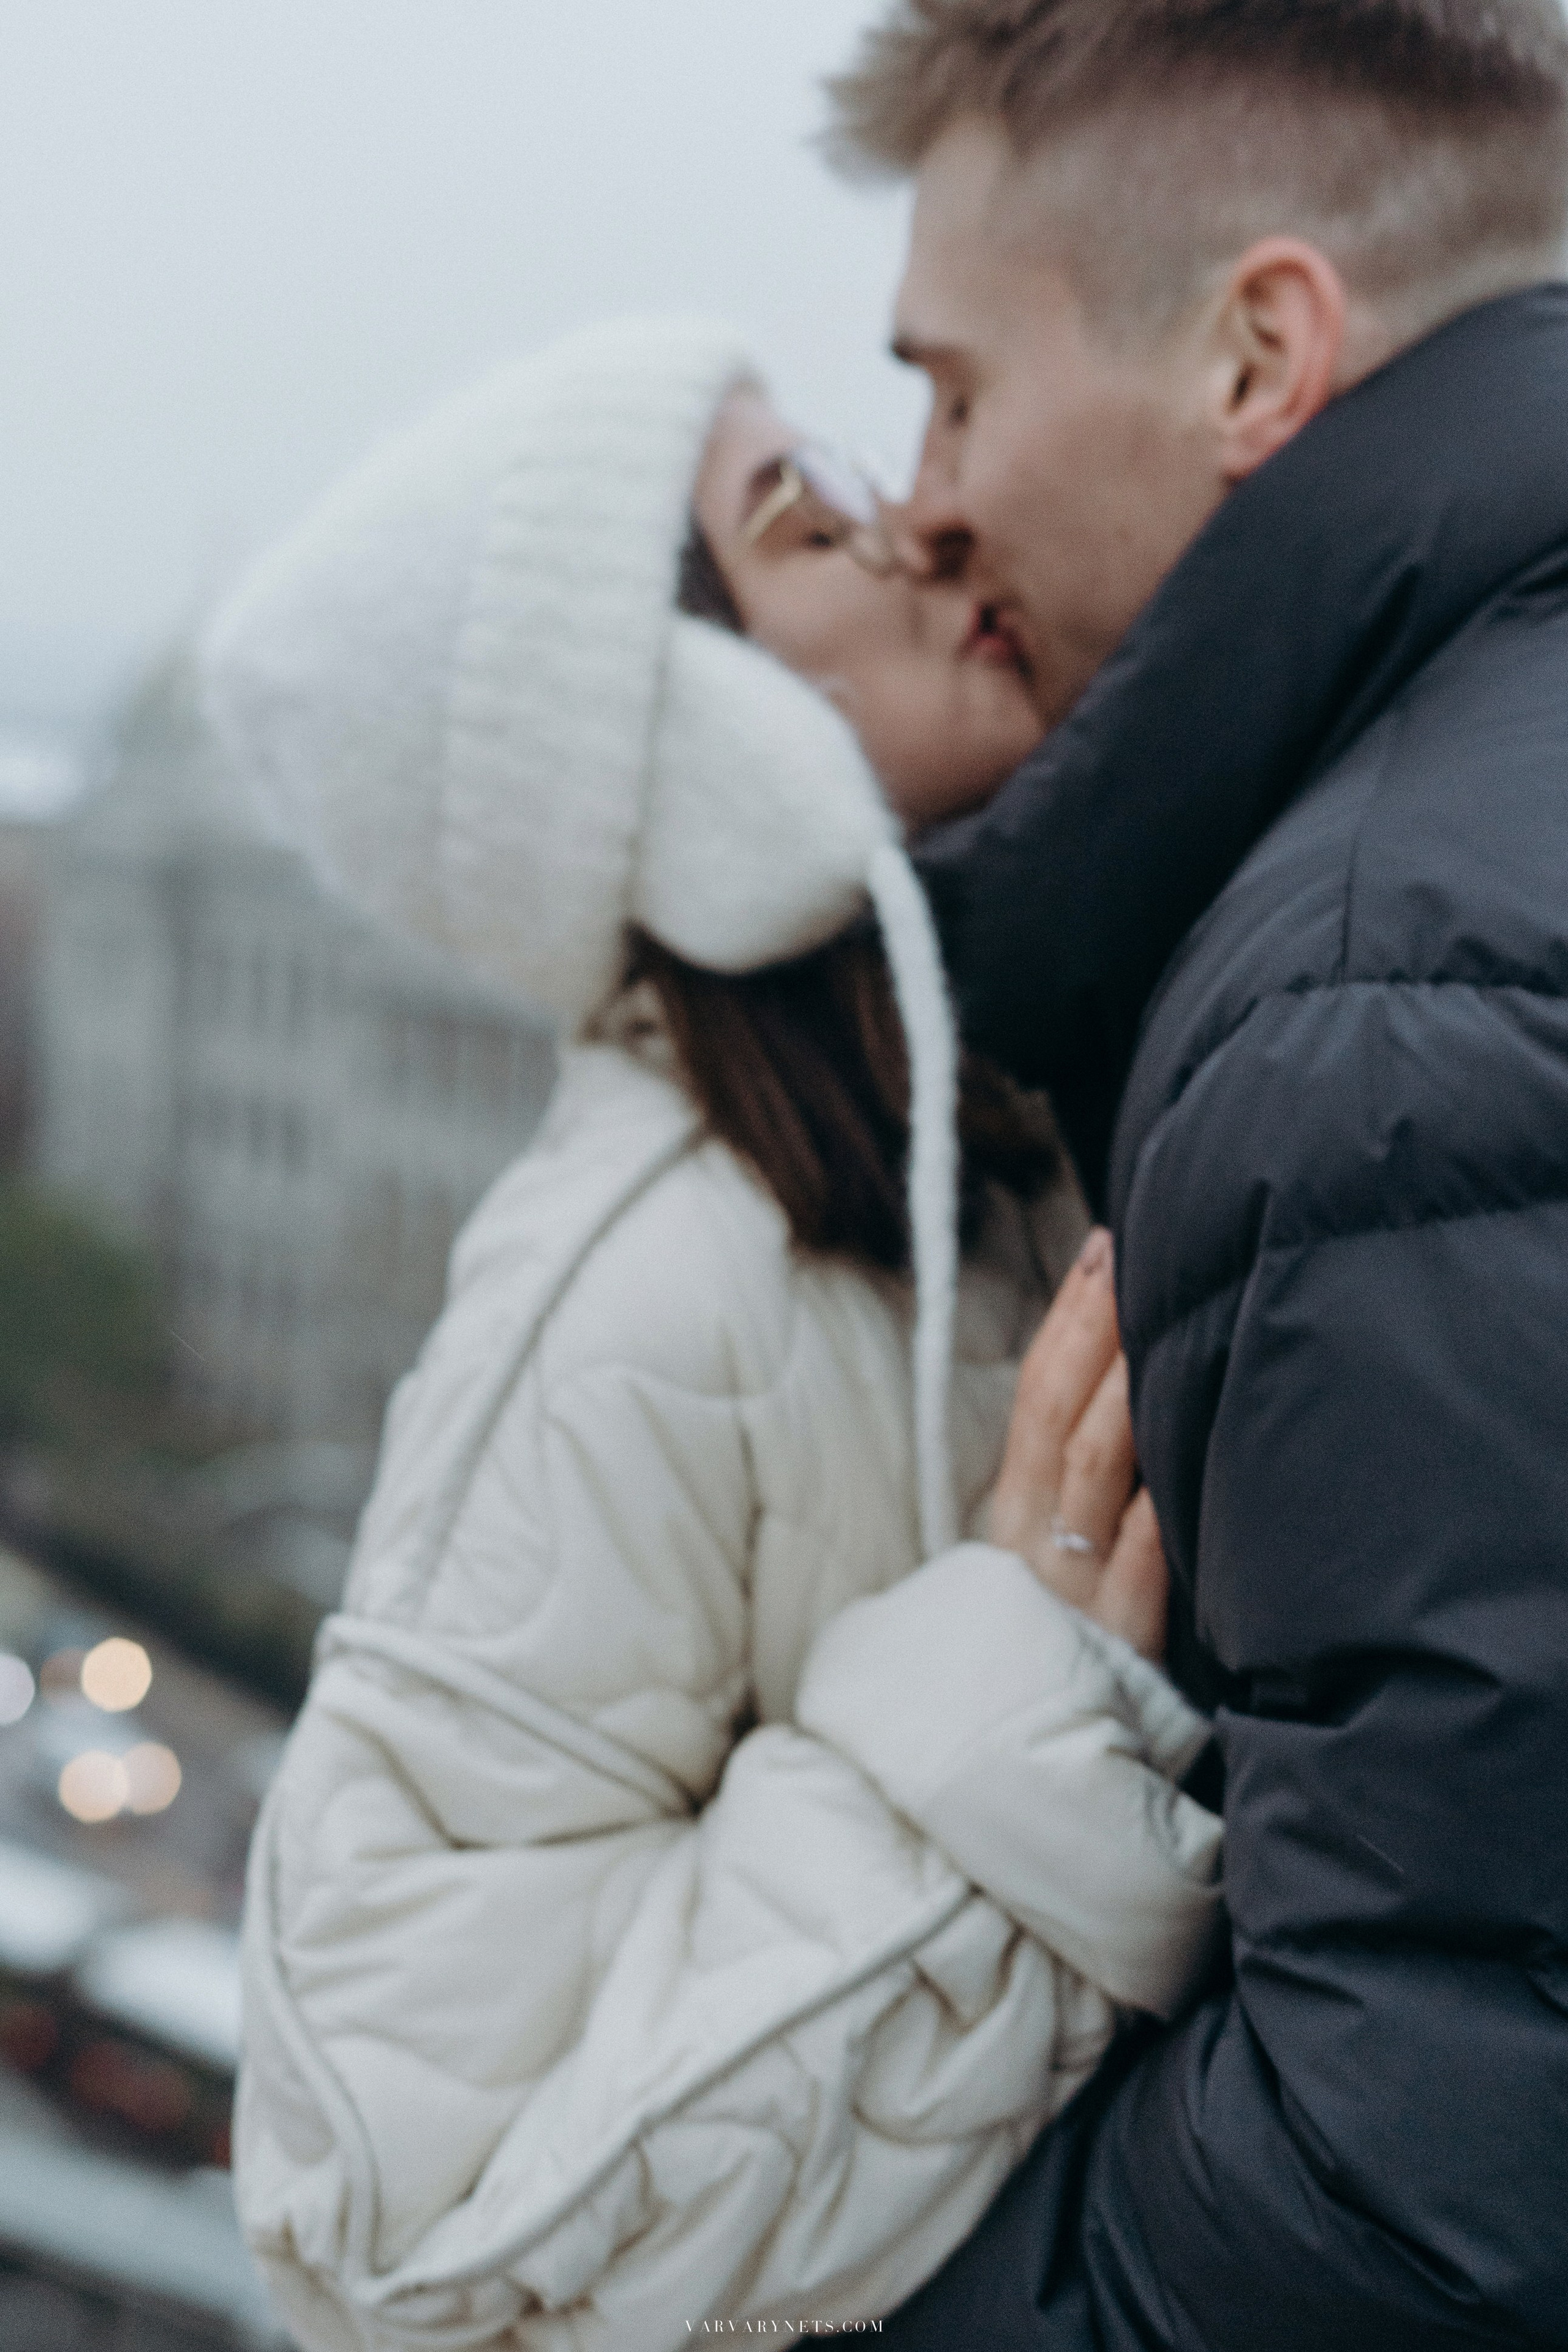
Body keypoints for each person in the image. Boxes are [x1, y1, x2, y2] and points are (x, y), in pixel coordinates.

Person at [204, 318, 1223, 2350]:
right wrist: (1005, 1723)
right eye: (804, 516)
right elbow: (394, 2248)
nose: (922, 522)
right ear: (684, 740)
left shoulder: (991, 1127)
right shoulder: (636, 1289)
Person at [819, 2, 1568, 2344]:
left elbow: (1414, 2214)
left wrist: (801, 2305)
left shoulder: (1371, 1013)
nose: (923, 503)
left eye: (955, 391)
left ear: (1259, 354)